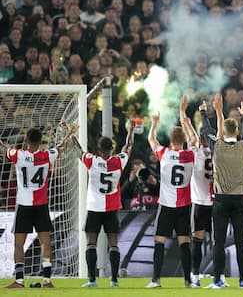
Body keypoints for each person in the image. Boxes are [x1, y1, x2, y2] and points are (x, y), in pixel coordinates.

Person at [1, 123, 76, 288]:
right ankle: (47, 280)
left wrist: (4, 144)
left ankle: (19, 280)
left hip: (24, 205)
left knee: (18, 244)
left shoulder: (18, 155)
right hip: (41, 206)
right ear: (41, 140)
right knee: (45, 242)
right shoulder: (47, 155)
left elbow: (6, 149)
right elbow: (61, 146)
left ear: (26, 140)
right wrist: (69, 134)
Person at [75, 126, 135, 288]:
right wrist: (130, 131)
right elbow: (128, 147)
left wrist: (70, 134)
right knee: (114, 245)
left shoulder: (92, 161)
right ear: (111, 149)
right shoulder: (118, 161)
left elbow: (78, 150)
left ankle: (92, 280)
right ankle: (114, 280)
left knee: (91, 243)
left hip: (94, 208)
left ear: (99, 149)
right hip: (112, 209)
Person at [207, 94, 243, 289]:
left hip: (221, 199)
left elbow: (205, 129)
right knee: (241, 241)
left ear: (223, 133)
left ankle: (218, 280)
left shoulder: (217, 146)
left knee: (218, 242)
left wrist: (213, 111)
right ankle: (242, 280)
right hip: (240, 199)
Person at [145, 112, 195, 289]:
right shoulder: (190, 156)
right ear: (184, 140)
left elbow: (151, 139)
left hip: (166, 205)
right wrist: (187, 123)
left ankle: (156, 280)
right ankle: (188, 280)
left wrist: (155, 123)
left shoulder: (164, 153)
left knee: (159, 241)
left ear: (170, 140)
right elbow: (195, 141)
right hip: (184, 205)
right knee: (184, 243)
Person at [185, 98, 213, 288]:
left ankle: (195, 275)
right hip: (216, 201)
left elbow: (189, 136)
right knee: (217, 241)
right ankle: (219, 276)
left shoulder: (194, 151)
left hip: (199, 202)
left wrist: (184, 117)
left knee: (197, 240)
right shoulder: (219, 150)